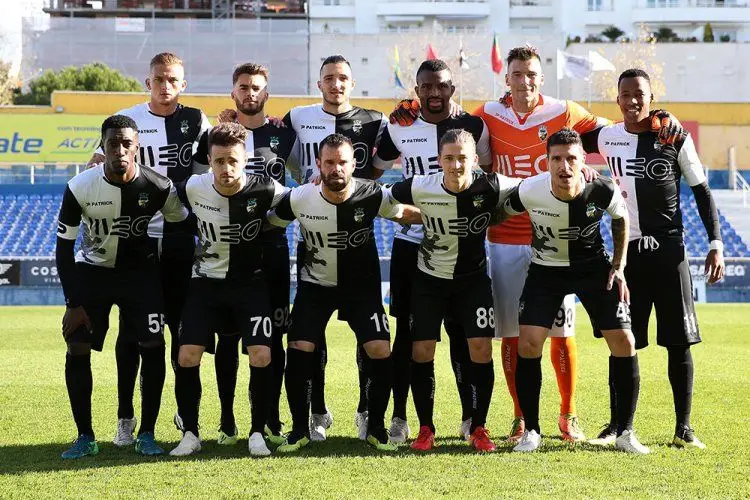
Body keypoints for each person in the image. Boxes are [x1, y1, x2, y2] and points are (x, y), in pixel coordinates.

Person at [390, 45, 684, 443]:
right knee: (514, 335)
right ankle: (520, 418)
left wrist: (657, 117)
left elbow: (618, 129)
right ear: (506, 79)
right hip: (504, 239)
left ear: (541, 78)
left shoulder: (565, 111)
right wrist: (411, 106)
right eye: (517, 74)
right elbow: (448, 118)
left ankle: (568, 414)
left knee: (561, 333)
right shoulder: (487, 115)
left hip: (556, 240)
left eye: (531, 74)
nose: (524, 81)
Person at [582, 69, 724, 449]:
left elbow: (702, 190)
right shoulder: (607, 136)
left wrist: (715, 242)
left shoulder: (673, 135)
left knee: (679, 343)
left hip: (669, 253)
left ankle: (683, 429)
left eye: (639, 94)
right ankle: (617, 427)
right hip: (627, 256)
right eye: (625, 94)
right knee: (621, 340)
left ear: (651, 97)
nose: (633, 100)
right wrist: (580, 165)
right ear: (617, 99)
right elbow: (569, 141)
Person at [266, 133, 421, 452]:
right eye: (329, 162)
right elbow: (270, 223)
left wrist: (447, 215)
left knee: (379, 348)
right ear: (318, 165)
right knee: (299, 346)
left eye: (342, 162)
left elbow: (404, 214)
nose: (335, 168)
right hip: (315, 287)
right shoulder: (300, 198)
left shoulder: (372, 194)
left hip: (361, 289)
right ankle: (300, 429)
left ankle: (376, 428)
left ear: (353, 165)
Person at [88, 52, 211, 447]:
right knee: (131, 333)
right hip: (135, 238)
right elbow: (96, 162)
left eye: (173, 80)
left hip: (179, 237)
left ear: (183, 84)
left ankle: (183, 410)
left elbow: (215, 166)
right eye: (159, 79)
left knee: (179, 330)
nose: (165, 86)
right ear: (148, 82)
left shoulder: (198, 121)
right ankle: (125, 417)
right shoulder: (128, 118)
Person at [505, 128, 648, 454]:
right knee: (528, 343)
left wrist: (619, 265)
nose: (564, 166)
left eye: (571, 158)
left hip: (592, 268)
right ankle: (532, 431)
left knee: (625, 341)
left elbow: (620, 218)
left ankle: (625, 432)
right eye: (557, 158)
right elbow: (501, 210)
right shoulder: (530, 189)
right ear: (547, 162)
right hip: (545, 270)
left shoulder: (602, 189)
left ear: (583, 160)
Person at [372, 59, 492, 443]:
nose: (434, 93)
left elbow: (488, 175)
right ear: (417, 90)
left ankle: (470, 417)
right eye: (427, 87)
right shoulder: (400, 124)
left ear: (452, 88)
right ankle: (401, 417)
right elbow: (374, 172)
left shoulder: (474, 127)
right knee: (408, 336)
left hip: (460, 245)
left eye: (441, 86)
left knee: (462, 333)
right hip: (412, 244)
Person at [56, 114, 189, 458]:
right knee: (77, 346)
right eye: (112, 143)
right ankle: (85, 436)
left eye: (126, 143)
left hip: (141, 276)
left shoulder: (159, 186)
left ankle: (146, 433)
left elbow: (180, 223)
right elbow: (63, 249)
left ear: (137, 147)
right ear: (103, 146)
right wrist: (73, 303)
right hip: (93, 274)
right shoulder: (79, 186)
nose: (119, 150)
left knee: (153, 344)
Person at [387, 129, 519, 452]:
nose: (456, 165)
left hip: (473, 282)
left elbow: (533, 187)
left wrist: (584, 173)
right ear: (439, 160)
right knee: (421, 351)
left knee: (481, 349)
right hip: (429, 281)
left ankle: (478, 427)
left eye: (462, 158)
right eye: (449, 158)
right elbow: (382, 199)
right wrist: (409, 215)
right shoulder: (421, 186)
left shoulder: (491, 185)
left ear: (474, 159)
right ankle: (425, 429)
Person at [193, 63, 298, 446]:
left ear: (266, 94)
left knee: (273, 338)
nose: (249, 93)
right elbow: (197, 183)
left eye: (256, 87)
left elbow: (303, 182)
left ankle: (270, 418)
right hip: (226, 249)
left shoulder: (284, 135)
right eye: (243, 86)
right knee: (227, 337)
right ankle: (226, 420)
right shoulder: (214, 136)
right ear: (233, 92)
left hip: (272, 248)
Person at [169, 123, 288, 457]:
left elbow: (296, 203)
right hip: (204, 284)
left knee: (262, 354)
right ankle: (190, 433)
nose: (226, 168)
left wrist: (273, 223)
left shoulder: (266, 188)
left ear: (245, 158)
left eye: (233, 160)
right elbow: (166, 201)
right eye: (219, 161)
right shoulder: (193, 187)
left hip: (250, 284)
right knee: (186, 355)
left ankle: (257, 433)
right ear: (209, 160)